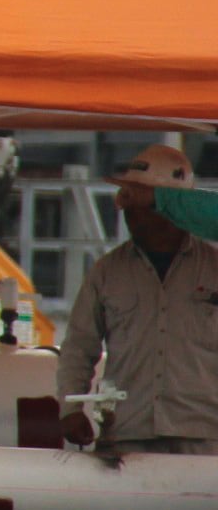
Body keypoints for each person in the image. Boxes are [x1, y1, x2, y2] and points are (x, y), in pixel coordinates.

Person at [56, 143, 218, 455]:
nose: (128, 212)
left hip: (205, 436)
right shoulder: (107, 272)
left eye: (140, 203)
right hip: (128, 433)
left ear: (171, 207)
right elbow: (79, 346)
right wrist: (70, 408)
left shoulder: (214, 268)